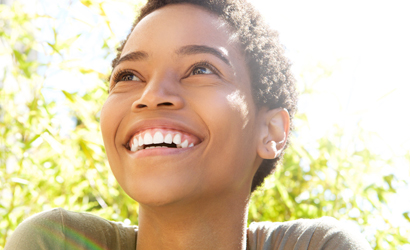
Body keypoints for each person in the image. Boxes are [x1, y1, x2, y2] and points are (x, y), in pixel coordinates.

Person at [5, 0, 372, 249]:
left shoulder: (318, 247)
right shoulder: (56, 242)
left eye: (201, 69)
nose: (151, 95)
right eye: (129, 75)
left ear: (271, 131)